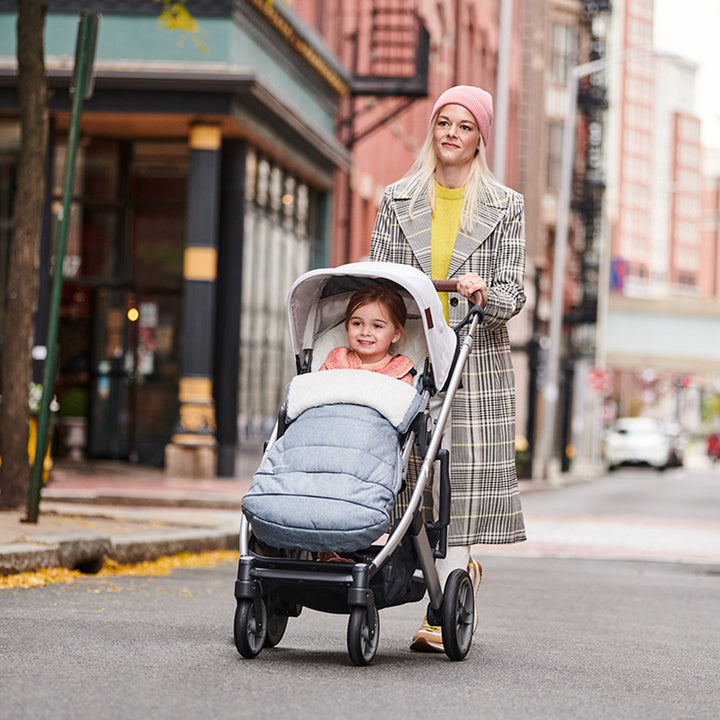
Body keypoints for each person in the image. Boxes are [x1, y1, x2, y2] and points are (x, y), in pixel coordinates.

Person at [369, 85, 527, 652]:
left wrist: (486, 292)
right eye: (443, 122)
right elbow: (377, 278)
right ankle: (429, 571)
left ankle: (444, 604)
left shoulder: (505, 206)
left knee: (461, 475)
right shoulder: (397, 198)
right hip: (411, 350)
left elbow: (514, 293)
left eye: (464, 125)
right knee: (411, 472)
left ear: (480, 137)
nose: (452, 133)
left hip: (473, 357)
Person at [318, 284, 415, 386]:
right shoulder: (337, 361)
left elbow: (401, 400)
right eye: (357, 323)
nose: (365, 332)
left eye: (377, 326)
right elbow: (319, 391)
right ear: (347, 326)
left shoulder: (399, 371)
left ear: (395, 335)